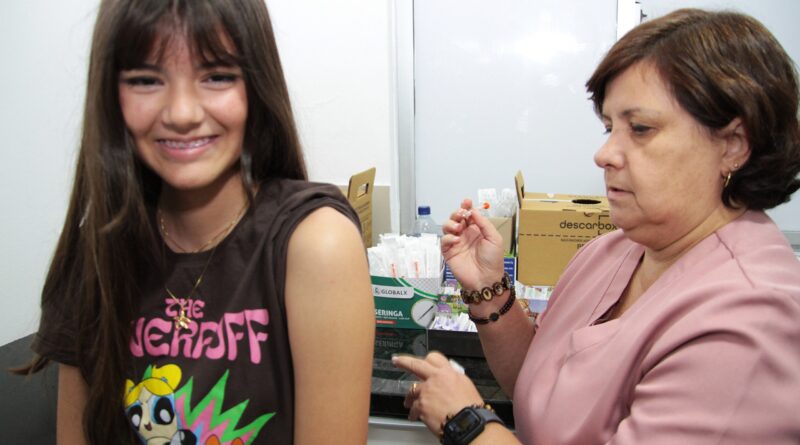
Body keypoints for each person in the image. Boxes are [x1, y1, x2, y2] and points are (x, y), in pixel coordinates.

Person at [393, 8, 800, 445]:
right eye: (609, 128)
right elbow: (542, 391)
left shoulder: (751, 319)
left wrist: (466, 422)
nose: (604, 154)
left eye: (640, 128)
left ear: (733, 145)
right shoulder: (610, 251)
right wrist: (487, 287)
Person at [20, 0, 375, 443]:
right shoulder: (94, 254)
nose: (182, 113)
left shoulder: (316, 243)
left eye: (217, 76)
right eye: (146, 80)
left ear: (255, 86)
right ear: (112, 97)